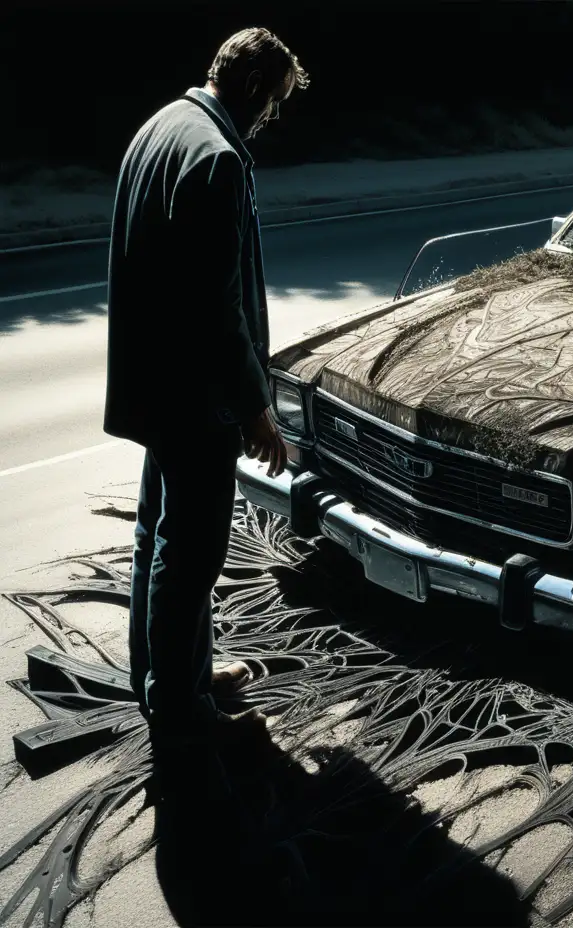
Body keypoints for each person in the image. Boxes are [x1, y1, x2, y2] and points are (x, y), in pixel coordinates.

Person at [104, 28, 309, 759]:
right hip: (197, 399)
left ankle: (162, 676)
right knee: (189, 558)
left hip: (157, 385)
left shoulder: (162, 125)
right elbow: (217, 305)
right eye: (275, 102)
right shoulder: (219, 159)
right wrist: (256, 412)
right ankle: (182, 708)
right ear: (254, 88)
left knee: (154, 541)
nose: (273, 118)